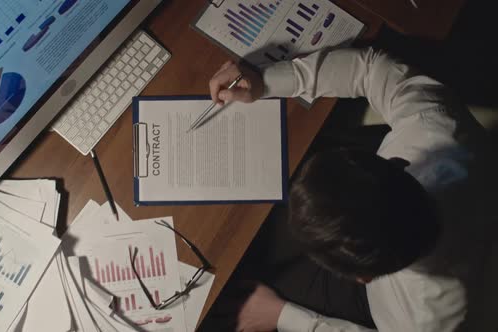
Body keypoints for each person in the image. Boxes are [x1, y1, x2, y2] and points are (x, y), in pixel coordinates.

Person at [207, 47, 490, 331]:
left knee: (246, 275)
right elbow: (371, 68)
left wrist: (284, 316)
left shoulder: (424, 321)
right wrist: (265, 81)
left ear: (362, 278)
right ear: (397, 163)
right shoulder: (433, 127)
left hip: (382, 301)